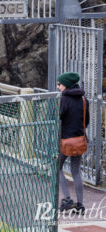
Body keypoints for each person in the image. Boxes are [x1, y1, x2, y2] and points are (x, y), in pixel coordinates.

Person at [57, 72, 89, 214]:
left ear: (66, 85)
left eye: (59, 84)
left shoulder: (64, 99)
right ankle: (80, 205)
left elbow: (59, 117)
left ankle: (67, 199)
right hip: (79, 139)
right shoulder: (83, 99)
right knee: (76, 171)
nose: (58, 87)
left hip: (66, 140)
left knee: (57, 168)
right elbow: (86, 120)